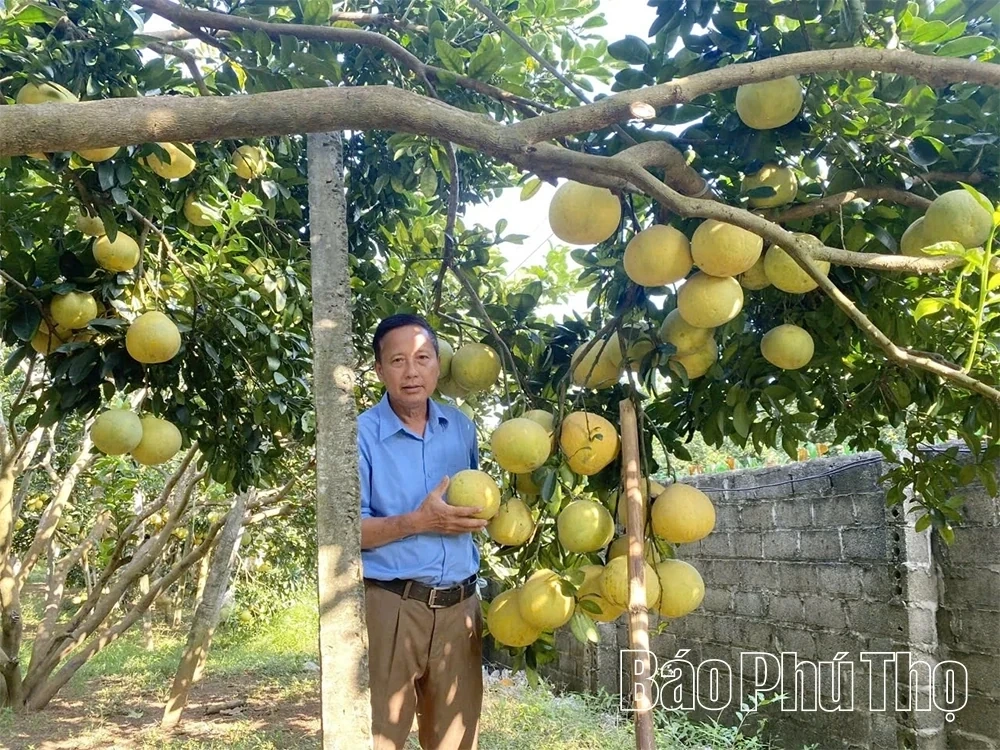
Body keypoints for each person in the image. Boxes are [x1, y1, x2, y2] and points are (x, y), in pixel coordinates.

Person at [357, 313, 489, 750]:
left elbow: (478, 505)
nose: (411, 371)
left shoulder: (461, 428)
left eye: (422, 357)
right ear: (379, 369)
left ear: (438, 363)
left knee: (455, 741)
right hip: (393, 606)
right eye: (397, 360)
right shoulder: (360, 436)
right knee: (380, 738)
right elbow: (347, 533)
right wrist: (418, 522)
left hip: (461, 609)